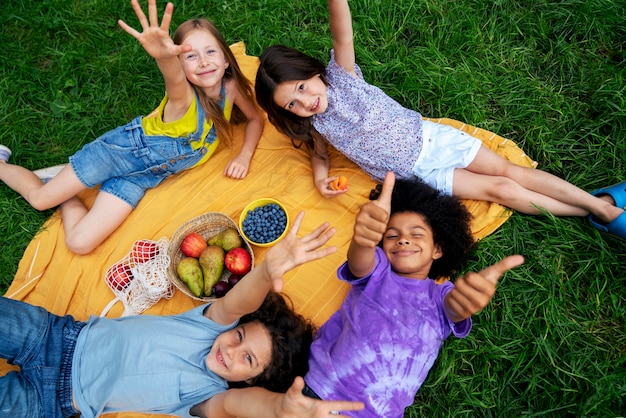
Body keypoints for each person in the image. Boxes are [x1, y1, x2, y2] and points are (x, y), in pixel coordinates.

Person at [253, 0, 626, 241]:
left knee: (512, 173)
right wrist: (321, 180)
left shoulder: (343, 78)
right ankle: (595, 210)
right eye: (292, 104)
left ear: (312, 72)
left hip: (433, 141)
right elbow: (318, 155)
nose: (305, 102)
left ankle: (600, 208)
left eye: (301, 87)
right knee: (502, 191)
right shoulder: (316, 127)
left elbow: (342, 30)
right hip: (421, 175)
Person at [0, 211, 365, 418]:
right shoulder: (206, 327)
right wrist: (266, 273)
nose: (232, 349)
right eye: (239, 337)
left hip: (53, 399)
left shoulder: (209, 396)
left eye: (248, 359)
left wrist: (278, 409)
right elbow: (239, 303)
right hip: (57, 335)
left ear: (253, 379)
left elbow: (240, 405)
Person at [0, 0, 264, 254]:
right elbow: (173, 78)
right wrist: (164, 58)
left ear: (227, 59)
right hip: (114, 155)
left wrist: (245, 154)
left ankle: (63, 186)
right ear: (181, 65)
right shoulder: (183, 100)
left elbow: (255, 119)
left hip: (142, 176)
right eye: (190, 56)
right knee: (40, 200)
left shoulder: (230, 89)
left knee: (79, 243)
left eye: (210, 52)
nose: (204, 62)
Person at [295, 171, 522, 417]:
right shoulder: (379, 270)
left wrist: (467, 301)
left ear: (437, 249)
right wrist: (363, 239)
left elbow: (454, 308)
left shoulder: (440, 295)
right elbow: (359, 261)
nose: (403, 240)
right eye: (392, 235)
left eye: (416, 234)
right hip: (323, 391)